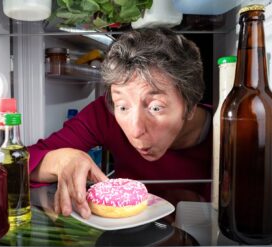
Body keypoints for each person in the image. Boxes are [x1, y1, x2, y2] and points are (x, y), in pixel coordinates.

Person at [28, 28, 212, 219]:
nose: (136, 130)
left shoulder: (230, 129)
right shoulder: (105, 113)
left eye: (156, 108)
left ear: (190, 105)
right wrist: (60, 161)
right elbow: (19, 161)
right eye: (123, 107)